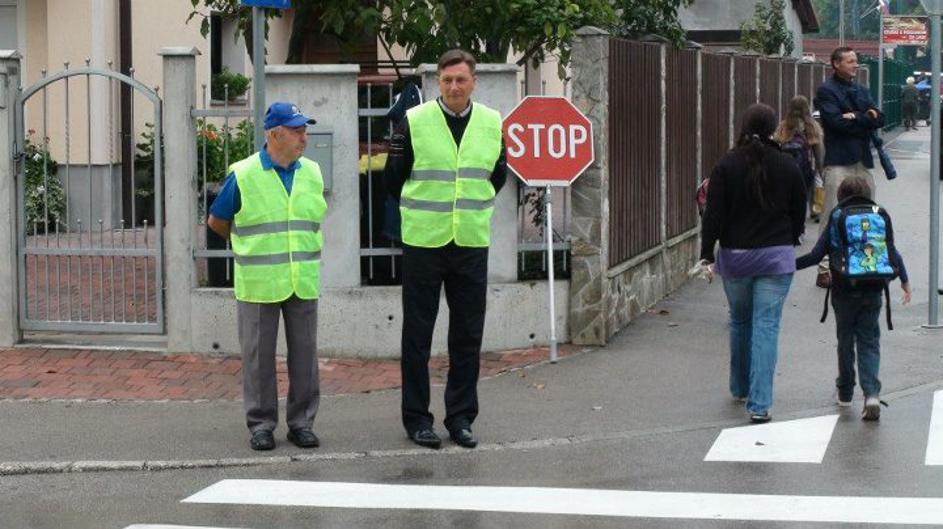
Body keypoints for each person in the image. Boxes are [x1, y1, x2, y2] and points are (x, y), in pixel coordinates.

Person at [383, 49, 507, 450]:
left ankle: (461, 418)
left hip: (470, 241)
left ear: (473, 82)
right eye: (447, 79)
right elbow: (393, 178)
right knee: (417, 336)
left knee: (468, 336)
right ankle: (417, 420)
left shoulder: (492, 122)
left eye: (461, 80)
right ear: (438, 81)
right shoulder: (414, 121)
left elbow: (498, 175)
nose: (454, 86)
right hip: (423, 241)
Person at [207, 102, 327, 451]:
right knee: (258, 358)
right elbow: (217, 221)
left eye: (305, 130)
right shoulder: (244, 174)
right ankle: (261, 425)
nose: (304, 137)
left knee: (305, 356)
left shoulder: (312, 172)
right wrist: (246, 245)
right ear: (275, 134)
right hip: (259, 282)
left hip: (302, 279)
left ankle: (301, 423)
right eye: (297, 131)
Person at [699, 103, 807, 424]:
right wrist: (792, 236)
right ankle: (760, 405)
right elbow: (799, 209)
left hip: (736, 257)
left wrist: (707, 253)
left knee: (740, 321)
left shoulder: (726, 164)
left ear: (743, 126)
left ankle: (740, 386)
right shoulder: (787, 164)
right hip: (776, 256)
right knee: (766, 325)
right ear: (774, 128)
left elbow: (713, 214)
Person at [796, 177, 911, 420]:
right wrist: (904, 280)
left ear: (840, 196)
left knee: (845, 340)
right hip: (874, 288)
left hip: (844, 290)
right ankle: (871, 394)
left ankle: (846, 392)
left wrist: (788, 265)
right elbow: (892, 251)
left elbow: (817, 255)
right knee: (869, 341)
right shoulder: (879, 214)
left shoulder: (838, 216)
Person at [813, 47, 885, 289]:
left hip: (862, 161)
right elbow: (836, 123)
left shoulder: (861, 89)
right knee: (832, 214)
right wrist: (866, 118)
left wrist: (854, 116)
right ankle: (825, 269)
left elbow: (880, 119)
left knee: (867, 215)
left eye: (856, 61)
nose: (855, 64)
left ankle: (864, 264)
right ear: (836, 63)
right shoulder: (826, 90)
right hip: (838, 162)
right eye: (850, 61)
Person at [773, 95, 824, 220]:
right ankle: (815, 209)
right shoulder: (811, 126)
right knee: (815, 183)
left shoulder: (784, 125)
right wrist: (820, 168)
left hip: (785, 166)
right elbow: (818, 151)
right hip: (805, 166)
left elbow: (776, 141)